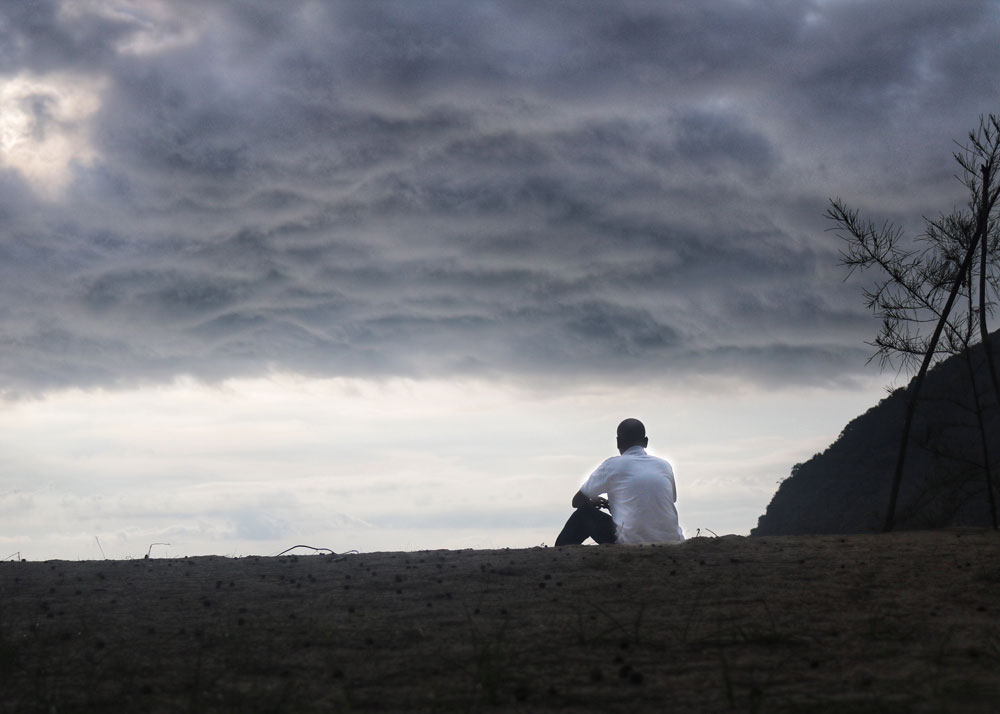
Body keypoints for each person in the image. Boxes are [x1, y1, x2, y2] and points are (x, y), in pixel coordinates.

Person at [555, 418, 683, 545]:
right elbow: (663, 500)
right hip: (672, 541)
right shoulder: (664, 465)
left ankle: (560, 557)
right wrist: (617, 506)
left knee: (584, 514)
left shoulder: (612, 465)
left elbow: (577, 501)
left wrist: (593, 502)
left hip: (630, 542)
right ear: (646, 442)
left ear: (618, 442)